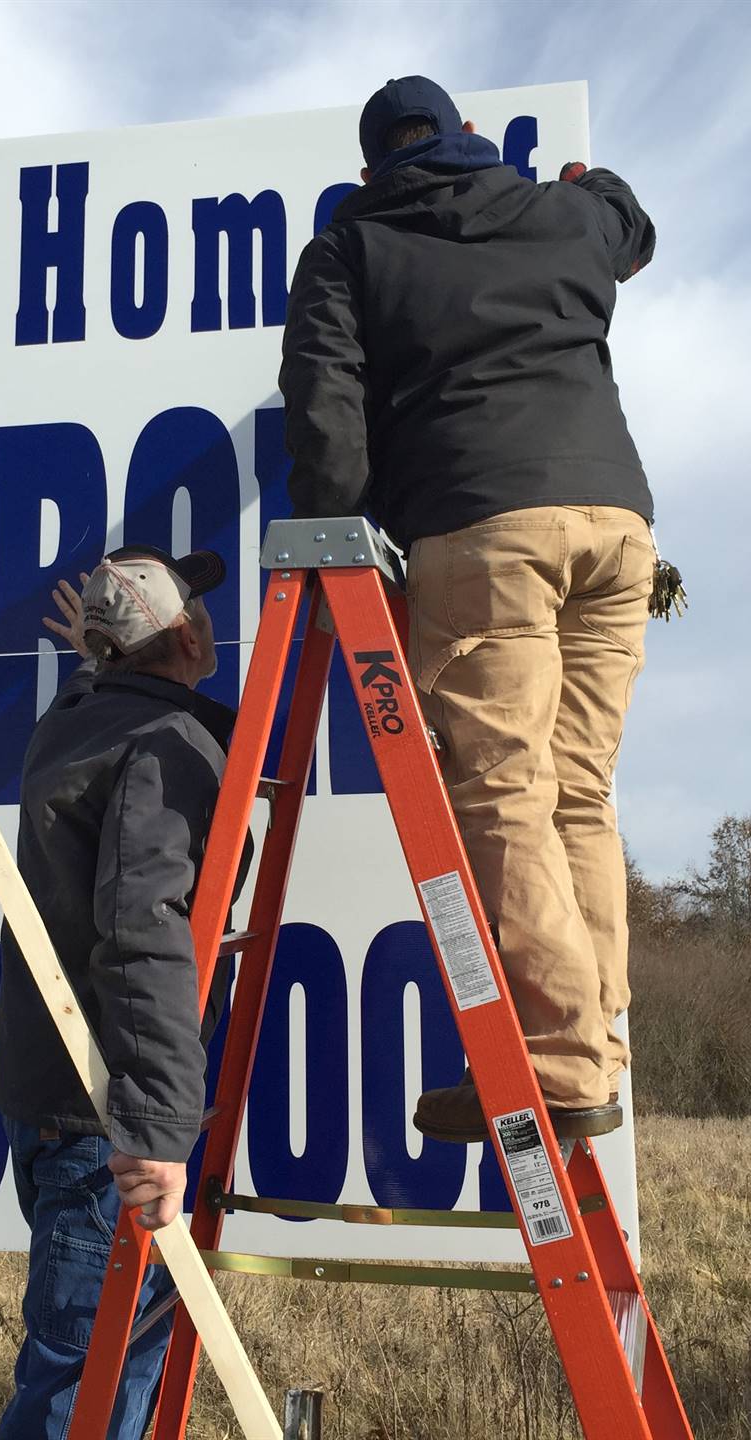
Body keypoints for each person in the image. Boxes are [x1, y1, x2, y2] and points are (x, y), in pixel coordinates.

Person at [279, 75, 662, 1143]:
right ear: (467, 139)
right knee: (577, 795)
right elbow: (631, 222)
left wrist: (336, 530)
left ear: (369, 171)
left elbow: (325, 406)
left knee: (500, 796)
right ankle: (596, 1049)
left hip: (482, 525)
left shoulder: (350, 247)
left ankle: (555, 1060)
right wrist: (591, 184)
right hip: (618, 528)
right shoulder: (557, 211)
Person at [0, 544, 233, 1439]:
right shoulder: (164, 745)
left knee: (98, 1370)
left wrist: (100, 660)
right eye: (199, 609)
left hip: (60, 1105)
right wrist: (160, 1133)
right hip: (110, 1120)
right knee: (80, 1389)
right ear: (190, 636)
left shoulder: (73, 723)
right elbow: (143, 940)